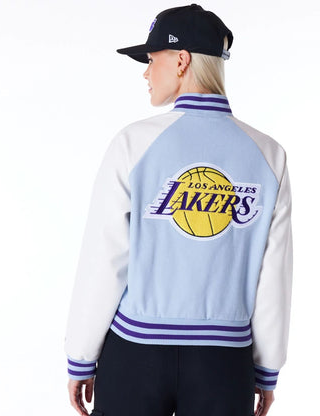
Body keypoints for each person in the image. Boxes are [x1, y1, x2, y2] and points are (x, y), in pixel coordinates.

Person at [65, 4, 293, 416]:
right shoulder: (268, 155)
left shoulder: (133, 144)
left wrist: (81, 356)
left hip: (135, 352)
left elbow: (105, 257)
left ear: (182, 60)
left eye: (152, 60)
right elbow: (273, 273)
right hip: (224, 361)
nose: (146, 73)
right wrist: (267, 368)